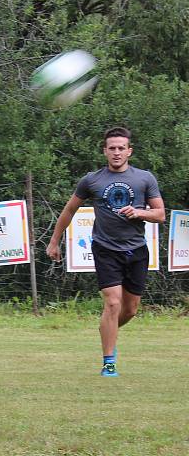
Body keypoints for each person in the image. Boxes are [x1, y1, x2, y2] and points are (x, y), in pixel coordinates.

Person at [46, 126, 165, 377]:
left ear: (129, 151)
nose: (117, 152)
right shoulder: (92, 180)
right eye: (112, 148)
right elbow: (69, 211)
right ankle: (108, 362)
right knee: (112, 303)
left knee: (130, 310)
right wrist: (54, 241)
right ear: (105, 151)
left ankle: (107, 330)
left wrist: (140, 212)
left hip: (136, 249)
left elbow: (160, 214)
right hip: (105, 248)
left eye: (122, 148)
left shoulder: (145, 178)